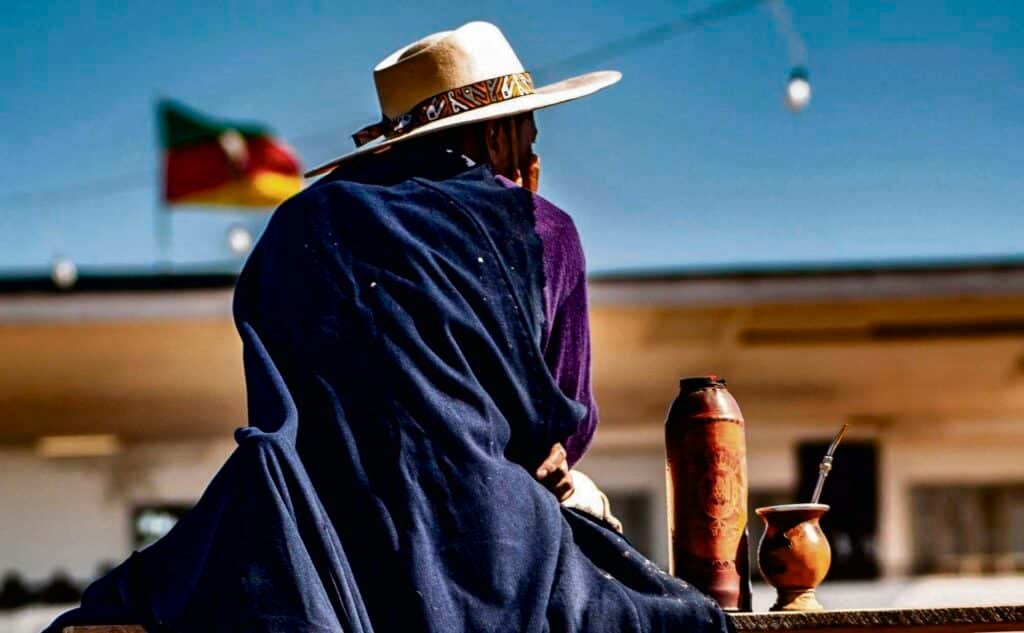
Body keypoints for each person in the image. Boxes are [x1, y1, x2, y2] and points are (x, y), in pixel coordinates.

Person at [48, 21, 733, 633]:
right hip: (491, 550)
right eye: (526, 130)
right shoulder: (540, 228)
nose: (529, 149)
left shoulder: (298, 224)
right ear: (497, 133)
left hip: (307, 545)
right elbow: (561, 433)